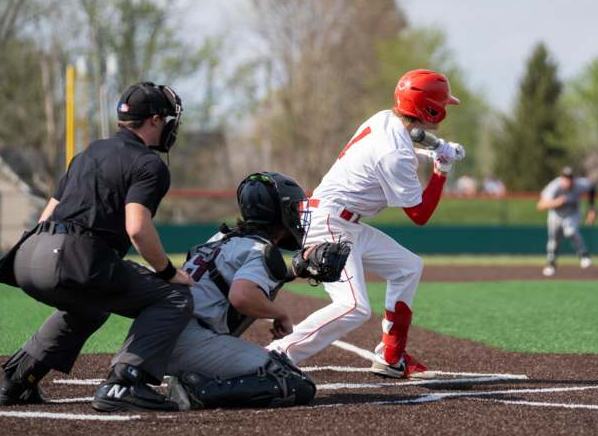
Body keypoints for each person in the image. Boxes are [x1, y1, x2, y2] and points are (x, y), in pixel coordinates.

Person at [0, 82, 194, 413]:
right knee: (173, 296)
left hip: (27, 256)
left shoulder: (87, 153)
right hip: (72, 257)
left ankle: (18, 380)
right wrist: (169, 273)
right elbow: (137, 228)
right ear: (156, 120)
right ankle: (126, 382)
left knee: (91, 305)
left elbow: (46, 216)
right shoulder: (149, 164)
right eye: (169, 119)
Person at [267, 69, 465, 379]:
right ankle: (277, 355)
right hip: (329, 223)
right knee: (354, 307)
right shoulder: (395, 155)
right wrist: (442, 168)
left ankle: (390, 356)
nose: (445, 110)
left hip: (345, 222)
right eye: (441, 104)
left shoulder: (384, 118)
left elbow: (403, 143)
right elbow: (420, 215)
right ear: (428, 109)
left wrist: (433, 149)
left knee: (408, 266)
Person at [164, 171, 348, 410]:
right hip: (192, 343)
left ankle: (192, 375)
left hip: (162, 334)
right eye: (293, 209)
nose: (297, 215)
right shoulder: (261, 250)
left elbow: (239, 273)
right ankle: (198, 391)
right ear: (279, 213)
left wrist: (296, 268)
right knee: (294, 382)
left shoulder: (221, 238)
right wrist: (280, 314)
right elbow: (242, 296)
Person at [536, 166, 597, 277]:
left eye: (570, 178)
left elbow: (592, 187)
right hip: (556, 215)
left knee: (570, 231)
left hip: (572, 214)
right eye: (565, 178)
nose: (568, 181)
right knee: (554, 241)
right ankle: (551, 263)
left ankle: (584, 255)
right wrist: (556, 202)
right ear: (561, 178)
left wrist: (592, 208)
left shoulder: (579, 184)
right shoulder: (554, 186)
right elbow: (540, 205)